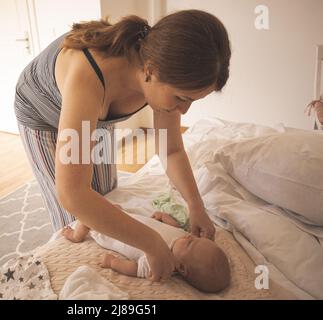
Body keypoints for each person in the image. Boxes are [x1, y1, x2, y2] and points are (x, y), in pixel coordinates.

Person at [14, 9, 231, 282]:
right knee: (74, 222)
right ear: (150, 70)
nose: (183, 111)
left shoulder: (161, 77)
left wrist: (195, 205)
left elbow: (170, 149)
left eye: (192, 101)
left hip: (91, 114)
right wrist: (151, 243)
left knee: (105, 198)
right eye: (181, 98)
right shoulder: (89, 76)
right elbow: (73, 193)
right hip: (41, 113)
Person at [61, 205, 231, 293]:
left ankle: (76, 236)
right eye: (195, 237)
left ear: (180, 267)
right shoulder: (182, 240)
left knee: (88, 215)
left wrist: (113, 262)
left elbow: (135, 269)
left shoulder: (160, 264)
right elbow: (177, 227)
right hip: (128, 219)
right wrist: (164, 217)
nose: (189, 236)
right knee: (110, 208)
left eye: (190, 243)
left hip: (110, 233)